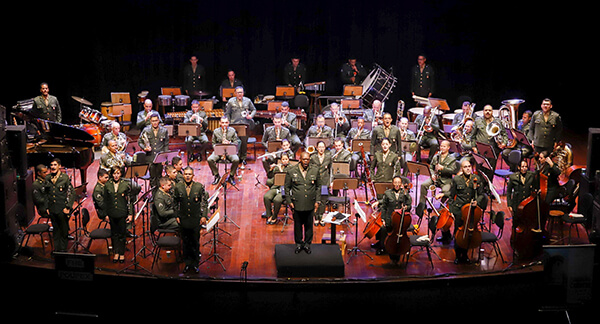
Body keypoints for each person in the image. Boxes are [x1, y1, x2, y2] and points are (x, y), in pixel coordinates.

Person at [446, 158, 487, 264]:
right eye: (465, 167)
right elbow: (451, 196)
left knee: (469, 232)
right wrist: (451, 211)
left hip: (471, 210)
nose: (468, 169)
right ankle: (457, 255)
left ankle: (465, 254)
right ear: (461, 169)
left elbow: (482, 194)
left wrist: (477, 201)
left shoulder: (476, 179)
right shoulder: (456, 179)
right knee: (458, 232)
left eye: (469, 166)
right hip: (459, 209)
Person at [284, 151, 322, 254]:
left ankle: (307, 244)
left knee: (309, 225)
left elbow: (319, 187)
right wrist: (289, 201)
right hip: (297, 203)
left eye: (308, 159)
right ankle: (299, 244)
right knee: (298, 225)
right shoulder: (292, 171)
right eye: (304, 159)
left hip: (310, 202)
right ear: (300, 159)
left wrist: (317, 201)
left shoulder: (315, 170)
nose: (306, 161)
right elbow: (287, 187)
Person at [173, 166, 209, 273]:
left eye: (189, 174)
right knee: (186, 243)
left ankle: (195, 264)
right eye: (186, 174)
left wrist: (203, 216)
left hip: (195, 219)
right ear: (183, 175)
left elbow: (204, 202)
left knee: (195, 242)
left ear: (193, 176)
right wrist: (176, 216)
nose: (187, 176)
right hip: (183, 219)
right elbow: (175, 202)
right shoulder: (178, 187)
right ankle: (188, 264)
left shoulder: (198, 187)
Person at [371, 175, 412, 259]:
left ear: (401, 184)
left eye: (399, 183)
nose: (397, 184)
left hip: (400, 219)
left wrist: (406, 207)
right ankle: (382, 247)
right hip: (390, 218)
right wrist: (383, 219)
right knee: (382, 228)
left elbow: (409, 205)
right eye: (395, 182)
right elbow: (384, 207)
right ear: (392, 183)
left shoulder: (405, 193)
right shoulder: (388, 193)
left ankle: (399, 247)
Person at [104, 166, 135, 263]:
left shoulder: (125, 184)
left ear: (121, 174)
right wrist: (106, 214)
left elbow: (129, 201)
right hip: (112, 212)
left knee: (122, 234)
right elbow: (106, 201)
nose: (116, 175)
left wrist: (130, 214)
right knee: (114, 234)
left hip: (122, 212)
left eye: (118, 173)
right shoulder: (107, 184)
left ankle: (121, 253)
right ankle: (115, 252)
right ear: (111, 174)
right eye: (114, 173)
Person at [44, 158, 75, 252]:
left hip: (62, 208)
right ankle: (57, 250)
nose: (53, 167)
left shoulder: (64, 178)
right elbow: (46, 193)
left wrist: (68, 207)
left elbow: (71, 193)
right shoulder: (48, 178)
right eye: (51, 165)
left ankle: (63, 250)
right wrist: (47, 207)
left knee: (63, 230)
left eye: (55, 165)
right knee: (56, 230)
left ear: (59, 166)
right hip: (52, 208)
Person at [418, 140, 457, 212]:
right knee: (423, 185)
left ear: (448, 147)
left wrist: (443, 168)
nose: (442, 148)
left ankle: (441, 207)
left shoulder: (452, 159)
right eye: (441, 146)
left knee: (445, 191)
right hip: (435, 178)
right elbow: (431, 167)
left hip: (445, 180)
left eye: (444, 146)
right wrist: (432, 174)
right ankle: (422, 205)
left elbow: (453, 171)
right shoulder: (436, 156)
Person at [225, 86, 256, 165]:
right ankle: (236, 158)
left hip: (245, 124)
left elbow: (254, 110)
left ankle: (243, 158)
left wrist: (251, 116)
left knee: (244, 142)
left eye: (241, 92)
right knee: (235, 142)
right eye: (238, 92)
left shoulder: (247, 100)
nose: (240, 94)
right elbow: (227, 113)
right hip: (234, 125)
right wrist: (227, 122)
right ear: (235, 93)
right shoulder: (231, 101)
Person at [138, 114, 170, 189]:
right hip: (150, 157)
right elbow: (139, 141)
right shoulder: (146, 130)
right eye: (153, 121)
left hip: (160, 157)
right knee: (152, 177)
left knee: (159, 177)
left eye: (156, 120)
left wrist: (165, 158)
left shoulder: (164, 130)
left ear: (158, 120)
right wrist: (144, 148)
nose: (155, 122)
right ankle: (153, 193)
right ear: (150, 121)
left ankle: (159, 193)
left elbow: (166, 145)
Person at [207, 116, 241, 185]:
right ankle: (217, 176)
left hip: (229, 151)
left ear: (228, 123)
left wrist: (229, 143)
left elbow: (236, 143)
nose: (224, 124)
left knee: (236, 159)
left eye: (226, 122)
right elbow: (213, 143)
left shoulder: (232, 131)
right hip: (219, 151)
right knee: (210, 159)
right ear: (220, 123)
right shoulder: (216, 131)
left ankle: (231, 176)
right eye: (222, 123)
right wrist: (219, 147)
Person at [506, 160, 537, 226]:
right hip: (516, 203)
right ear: (519, 167)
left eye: (526, 167)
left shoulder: (531, 175)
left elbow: (534, 187)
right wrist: (509, 205)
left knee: (526, 222)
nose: (524, 168)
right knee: (516, 223)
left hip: (527, 204)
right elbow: (508, 192)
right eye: (522, 167)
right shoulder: (513, 177)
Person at [263, 153, 292, 224]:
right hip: (276, 187)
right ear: (281, 160)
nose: (285, 161)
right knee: (266, 197)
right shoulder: (277, 167)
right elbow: (270, 176)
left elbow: (286, 178)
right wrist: (271, 169)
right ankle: (269, 215)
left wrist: (280, 170)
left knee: (277, 200)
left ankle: (274, 216)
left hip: (285, 189)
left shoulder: (291, 168)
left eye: (286, 159)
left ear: (288, 160)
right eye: (283, 159)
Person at [309, 141, 332, 225]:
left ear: (325, 148)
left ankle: (321, 216)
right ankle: (316, 216)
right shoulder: (313, 157)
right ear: (317, 148)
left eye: (323, 147)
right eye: (320, 147)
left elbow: (331, 170)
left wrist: (330, 181)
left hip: (325, 181)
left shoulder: (328, 157)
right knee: (316, 199)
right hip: (315, 181)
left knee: (323, 199)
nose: (321, 149)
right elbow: (310, 169)